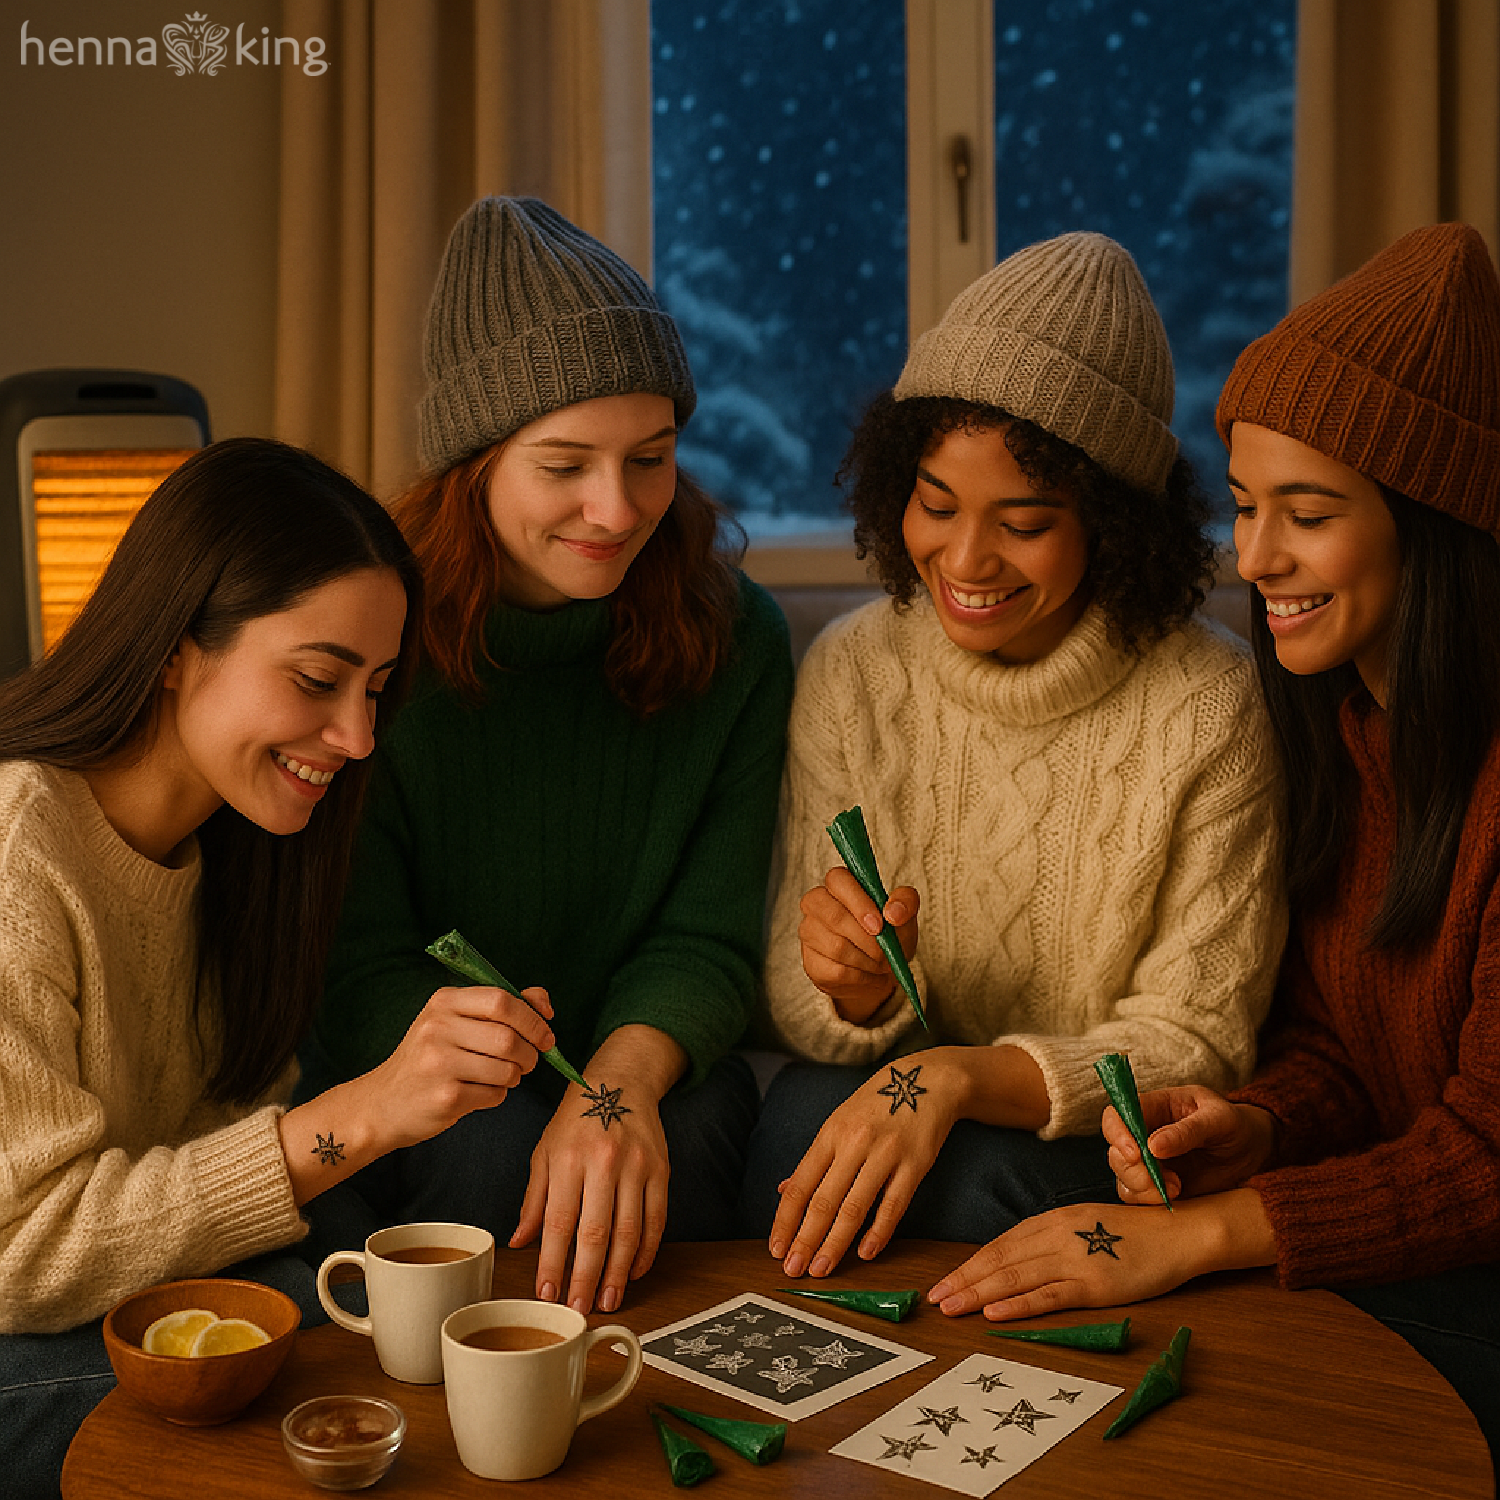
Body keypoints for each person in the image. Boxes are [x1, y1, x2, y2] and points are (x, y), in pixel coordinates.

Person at [925, 222, 1500, 1459]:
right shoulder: (1346, 732)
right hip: (1381, 1237)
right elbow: (1339, 1050)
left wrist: (1203, 1232)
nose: (1256, 557)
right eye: (1244, 507)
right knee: (1026, 1216)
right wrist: (1262, 1125)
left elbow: (1487, 1158)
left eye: (1307, 514)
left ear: (1430, 522)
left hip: (1478, 1274)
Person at [0, 438, 559, 1498]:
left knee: (359, 1334)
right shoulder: (19, 848)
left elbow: (224, 1134)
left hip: (136, 1285)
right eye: (316, 680)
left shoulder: (243, 844)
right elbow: (20, 1254)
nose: (356, 735)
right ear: (175, 647)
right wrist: (366, 1114)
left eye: (378, 688)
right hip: (18, 1318)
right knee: (315, 1388)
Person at [739, 232, 1286, 1281]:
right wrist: (850, 988)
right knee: (799, 1121)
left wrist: (955, 1077)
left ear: (1115, 527)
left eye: (1024, 523)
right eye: (935, 505)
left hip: (1077, 1134)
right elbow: (794, 999)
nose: (965, 560)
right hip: (894, 1101)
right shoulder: (854, 669)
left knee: (967, 1179)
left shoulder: (1208, 700)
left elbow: (1198, 1035)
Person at [305, 197, 795, 1318]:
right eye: (565, 464)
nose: (616, 510)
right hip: (430, 1070)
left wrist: (611, 1088)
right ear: (474, 463)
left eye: (652, 458)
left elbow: (709, 939)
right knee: (488, 1161)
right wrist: (520, 1083)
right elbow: (360, 966)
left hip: (640, 1059)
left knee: (701, 1121)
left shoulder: (740, 638)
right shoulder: (373, 636)